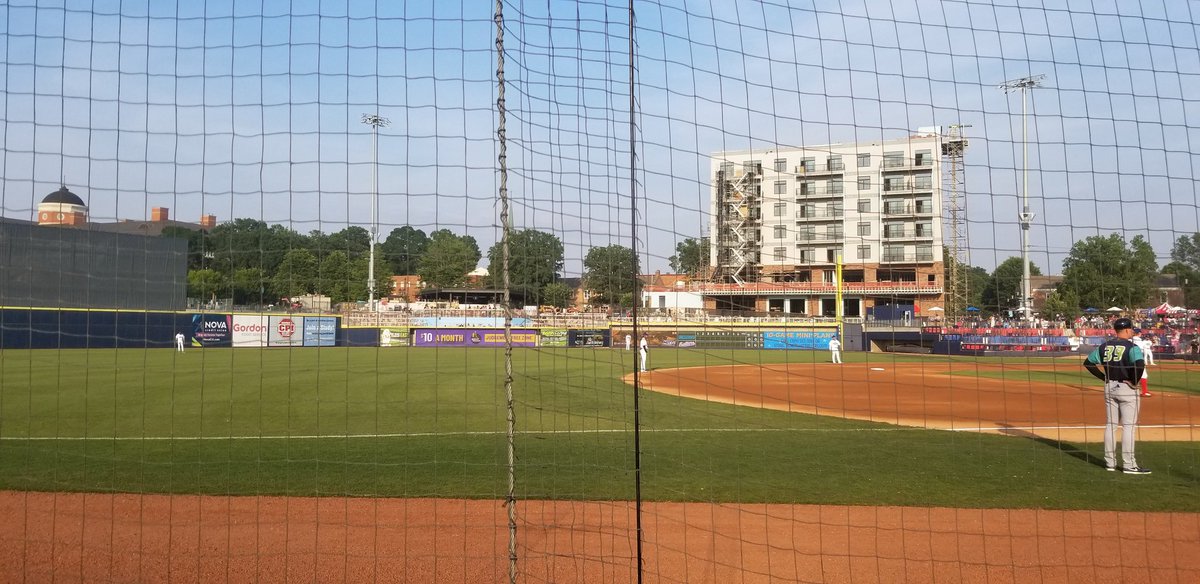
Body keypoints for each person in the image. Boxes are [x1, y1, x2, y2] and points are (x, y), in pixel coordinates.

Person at [1083, 317, 1150, 474]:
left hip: (1109, 387)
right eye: (1131, 329)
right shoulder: (1131, 347)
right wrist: (1134, 381)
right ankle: (1129, 464)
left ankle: (1110, 463)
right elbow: (1140, 364)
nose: (1132, 331)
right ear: (1126, 330)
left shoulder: (1104, 346)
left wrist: (1103, 378)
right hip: (1126, 388)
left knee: (1111, 425)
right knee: (1128, 427)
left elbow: (1088, 363)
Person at [1132, 330, 1155, 397]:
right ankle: (1144, 392)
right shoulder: (1141, 342)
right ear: (1139, 334)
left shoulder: (1130, 340)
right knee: (1143, 375)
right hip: (1138, 360)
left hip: (1129, 360)